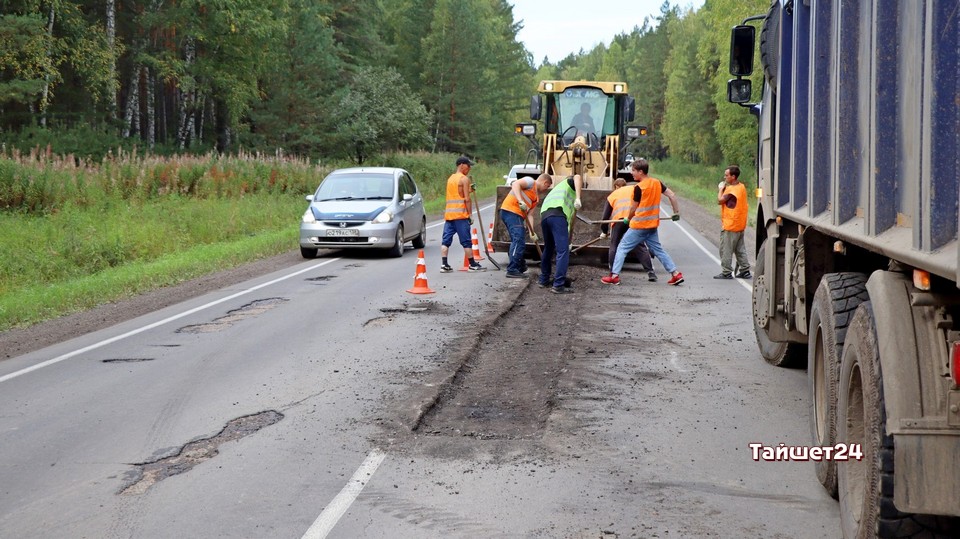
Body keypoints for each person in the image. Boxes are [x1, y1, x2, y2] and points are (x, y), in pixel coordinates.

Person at [601, 159, 684, 286]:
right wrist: (676, 212)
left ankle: (614, 276)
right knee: (658, 250)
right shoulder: (657, 183)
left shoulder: (639, 188)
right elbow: (672, 195)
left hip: (639, 226)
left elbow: (633, 209)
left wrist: (627, 218)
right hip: (652, 225)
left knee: (622, 247)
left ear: (641, 172)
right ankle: (675, 274)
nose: (631, 173)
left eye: (633, 170)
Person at [600, 178, 657, 282]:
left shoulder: (612, 195)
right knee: (639, 245)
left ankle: (612, 273)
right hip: (633, 219)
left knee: (614, 244)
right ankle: (650, 272)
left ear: (616, 187)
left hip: (619, 221)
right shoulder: (634, 189)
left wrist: (604, 231)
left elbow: (605, 218)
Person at [499, 173, 553, 278]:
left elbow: (530, 215)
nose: (546, 189)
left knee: (517, 240)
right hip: (511, 211)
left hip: (517, 215)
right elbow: (515, 184)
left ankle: (520, 265)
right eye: (547, 186)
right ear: (545, 182)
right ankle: (512, 269)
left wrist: (532, 232)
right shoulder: (530, 182)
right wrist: (520, 201)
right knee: (518, 240)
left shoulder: (536, 198)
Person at [538, 173, 584, 294]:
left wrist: (568, 240)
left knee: (548, 248)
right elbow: (578, 176)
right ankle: (558, 285)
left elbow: (569, 221)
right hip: (557, 216)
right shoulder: (568, 183)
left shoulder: (557, 190)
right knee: (563, 251)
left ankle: (543, 280)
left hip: (545, 217)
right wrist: (578, 197)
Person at [440, 156, 484, 272]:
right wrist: (470, 215)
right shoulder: (464, 179)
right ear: (461, 165)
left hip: (449, 215)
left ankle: (444, 265)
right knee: (466, 241)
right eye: (468, 166)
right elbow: (466, 199)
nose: (469, 168)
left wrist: (470, 189)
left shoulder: (450, 179)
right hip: (461, 215)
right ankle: (472, 264)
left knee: (445, 241)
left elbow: (457, 193)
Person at [715, 165, 751, 279]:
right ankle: (745, 270)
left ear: (733, 176)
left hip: (730, 225)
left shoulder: (732, 190)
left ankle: (726, 272)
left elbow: (720, 201)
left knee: (725, 249)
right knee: (740, 249)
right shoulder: (741, 187)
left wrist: (721, 189)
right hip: (740, 224)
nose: (724, 177)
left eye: (727, 175)